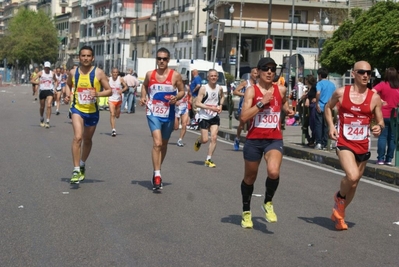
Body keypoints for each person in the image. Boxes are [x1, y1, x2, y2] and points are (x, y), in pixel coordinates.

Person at [325, 61, 384, 230]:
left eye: (368, 73)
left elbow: (380, 121)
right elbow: (327, 108)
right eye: (361, 72)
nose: (365, 75)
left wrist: (378, 127)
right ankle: (339, 198)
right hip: (344, 142)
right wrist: (331, 126)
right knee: (351, 176)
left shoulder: (374, 97)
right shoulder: (341, 93)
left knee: (355, 183)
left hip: (363, 144)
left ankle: (340, 215)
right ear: (353, 74)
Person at [238, 57, 295, 229]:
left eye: (272, 69)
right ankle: (246, 211)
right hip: (254, 140)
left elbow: (284, 104)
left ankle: (268, 202)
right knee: (250, 177)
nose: (270, 72)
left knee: (273, 171)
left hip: (273, 138)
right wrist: (262, 102)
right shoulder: (252, 91)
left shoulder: (281, 89)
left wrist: (288, 110)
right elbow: (244, 117)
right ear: (259, 71)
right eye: (266, 69)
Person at [64, 46, 112, 184]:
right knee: (78, 137)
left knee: (88, 139)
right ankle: (76, 169)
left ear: (92, 58)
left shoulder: (99, 73)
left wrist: (97, 93)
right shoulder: (73, 72)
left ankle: (83, 163)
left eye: (88, 56)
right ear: (79, 57)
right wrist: (67, 95)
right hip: (77, 109)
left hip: (92, 111)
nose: (85, 58)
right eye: (83, 56)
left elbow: (109, 91)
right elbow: (68, 85)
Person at [139, 47, 185, 191]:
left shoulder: (175, 75)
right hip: (153, 112)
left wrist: (176, 97)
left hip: (169, 113)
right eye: (159, 58)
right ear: (156, 60)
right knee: (157, 143)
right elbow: (144, 86)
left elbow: (183, 91)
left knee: (164, 144)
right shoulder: (150, 74)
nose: (161, 61)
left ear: (168, 60)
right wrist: (143, 96)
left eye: (164, 59)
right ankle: (157, 175)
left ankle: (156, 170)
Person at [193, 69, 225, 168]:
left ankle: (208, 159)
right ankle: (200, 140)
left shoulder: (219, 88)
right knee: (205, 140)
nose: (213, 77)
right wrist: (210, 107)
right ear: (208, 78)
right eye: (211, 76)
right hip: (204, 116)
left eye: (215, 76)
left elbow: (223, 97)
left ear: (217, 77)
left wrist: (220, 106)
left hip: (214, 116)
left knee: (214, 137)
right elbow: (197, 103)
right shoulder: (203, 89)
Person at [372, 67, 399, 166]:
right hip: (395, 115)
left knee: (382, 137)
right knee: (392, 138)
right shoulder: (397, 87)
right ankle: (389, 159)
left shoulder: (383, 85)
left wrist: (380, 101)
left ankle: (380, 159)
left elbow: (372, 92)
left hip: (382, 114)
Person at [233, 67, 258, 151]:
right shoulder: (245, 83)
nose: (256, 75)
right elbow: (235, 91)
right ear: (251, 74)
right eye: (254, 73)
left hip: (253, 107)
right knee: (241, 124)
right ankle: (237, 138)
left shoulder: (259, 84)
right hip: (243, 106)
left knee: (252, 124)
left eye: (257, 73)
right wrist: (245, 94)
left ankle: (249, 142)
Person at [31, 61, 58, 128]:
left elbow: (56, 81)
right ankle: (41, 117)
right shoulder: (41, 73)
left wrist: (55, 88)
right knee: (42, 107)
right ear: (44, 67)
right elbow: (32, 80)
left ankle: (48, 121)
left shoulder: (52, 73)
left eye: (48, 68)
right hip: (42, 91)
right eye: (46, 67)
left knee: (49, 105)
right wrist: (38, 83)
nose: (47, 69)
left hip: (50, 90)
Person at [315, 67, 336, 150]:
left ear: (320, 75)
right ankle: (326, 142)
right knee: (327, 125)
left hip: (320, 105)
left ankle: (319, 143)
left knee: (319, 125)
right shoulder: (332, 84)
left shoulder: (319, 84)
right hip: (329, 107)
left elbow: (318, 92)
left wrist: (317, 103)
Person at [108, 67, 128, 136]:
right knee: (112, 114)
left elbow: (126, 87)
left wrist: (121, 90)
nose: (115, 74)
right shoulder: (109, 79)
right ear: (111, 73)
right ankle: (113, 130)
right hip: (111, 99)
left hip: (118, 99)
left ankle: (118, 113)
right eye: (114, 72)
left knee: (117, 115)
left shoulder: (120, 79)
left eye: (116, 72)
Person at [175, 74, 190, 147]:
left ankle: (180, 140)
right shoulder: (175, 88)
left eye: (184, 81)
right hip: (176, 108)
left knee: (184, 124)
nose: (183, 82)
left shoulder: (187, 88)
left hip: (184, 108)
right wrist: (175, 101)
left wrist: (190, 100)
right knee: (176, 127)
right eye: (182, 80)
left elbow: (190, 95)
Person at [303, 75, 317, 147]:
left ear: (308, 80)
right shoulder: (309, 88)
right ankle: (310, 139)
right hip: (308, 109)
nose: (304, 81)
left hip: (313, 107)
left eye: (305, 80)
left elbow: (318, 94)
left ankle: (312, 140)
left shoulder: (314, 87)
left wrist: (315, 98)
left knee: (313, 124)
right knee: (306, 125)